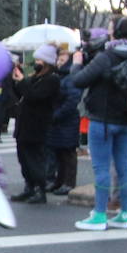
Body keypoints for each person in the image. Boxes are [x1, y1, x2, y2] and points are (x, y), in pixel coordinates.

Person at [71, 17, 127, 230]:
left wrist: (77, 64)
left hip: (103, 119)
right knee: (125, 166)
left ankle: (99, 214)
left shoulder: (108, 56)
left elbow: (79, 80)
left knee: (101, 167)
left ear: (114, 33)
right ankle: (125, 213)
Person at [7, 44, 61, 204]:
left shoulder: (52, 80)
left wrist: (23, 82)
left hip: (37, 126)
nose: (36, 62)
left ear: (47, 62)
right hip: (24, 125)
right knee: (23, 158)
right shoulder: (34, 77)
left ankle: (39, 189)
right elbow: (23, 93)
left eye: (39, 59)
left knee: (35, 159)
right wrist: (16, 80)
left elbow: (35, 96)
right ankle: (29, 187)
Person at [45, 48, 82, 196]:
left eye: (62, 60)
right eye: (58, 60)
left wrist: (57, 114)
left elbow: (72, 100)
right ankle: (60, 181)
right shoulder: (61, 77)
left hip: (66, 120)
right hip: (60, 120)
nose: (59, 63)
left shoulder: (70, 77)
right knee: (60, 152)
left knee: (68, 153)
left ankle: (68, 183)